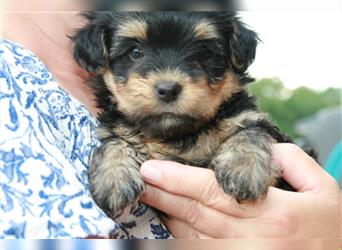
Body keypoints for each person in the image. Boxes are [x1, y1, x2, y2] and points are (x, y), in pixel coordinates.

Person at [0, 1, 340, 238]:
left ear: (236, 60)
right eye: (135, 52)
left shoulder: (242, 126)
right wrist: (116, 151)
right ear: (99, 58)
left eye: (203, 53)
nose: (168, 80)